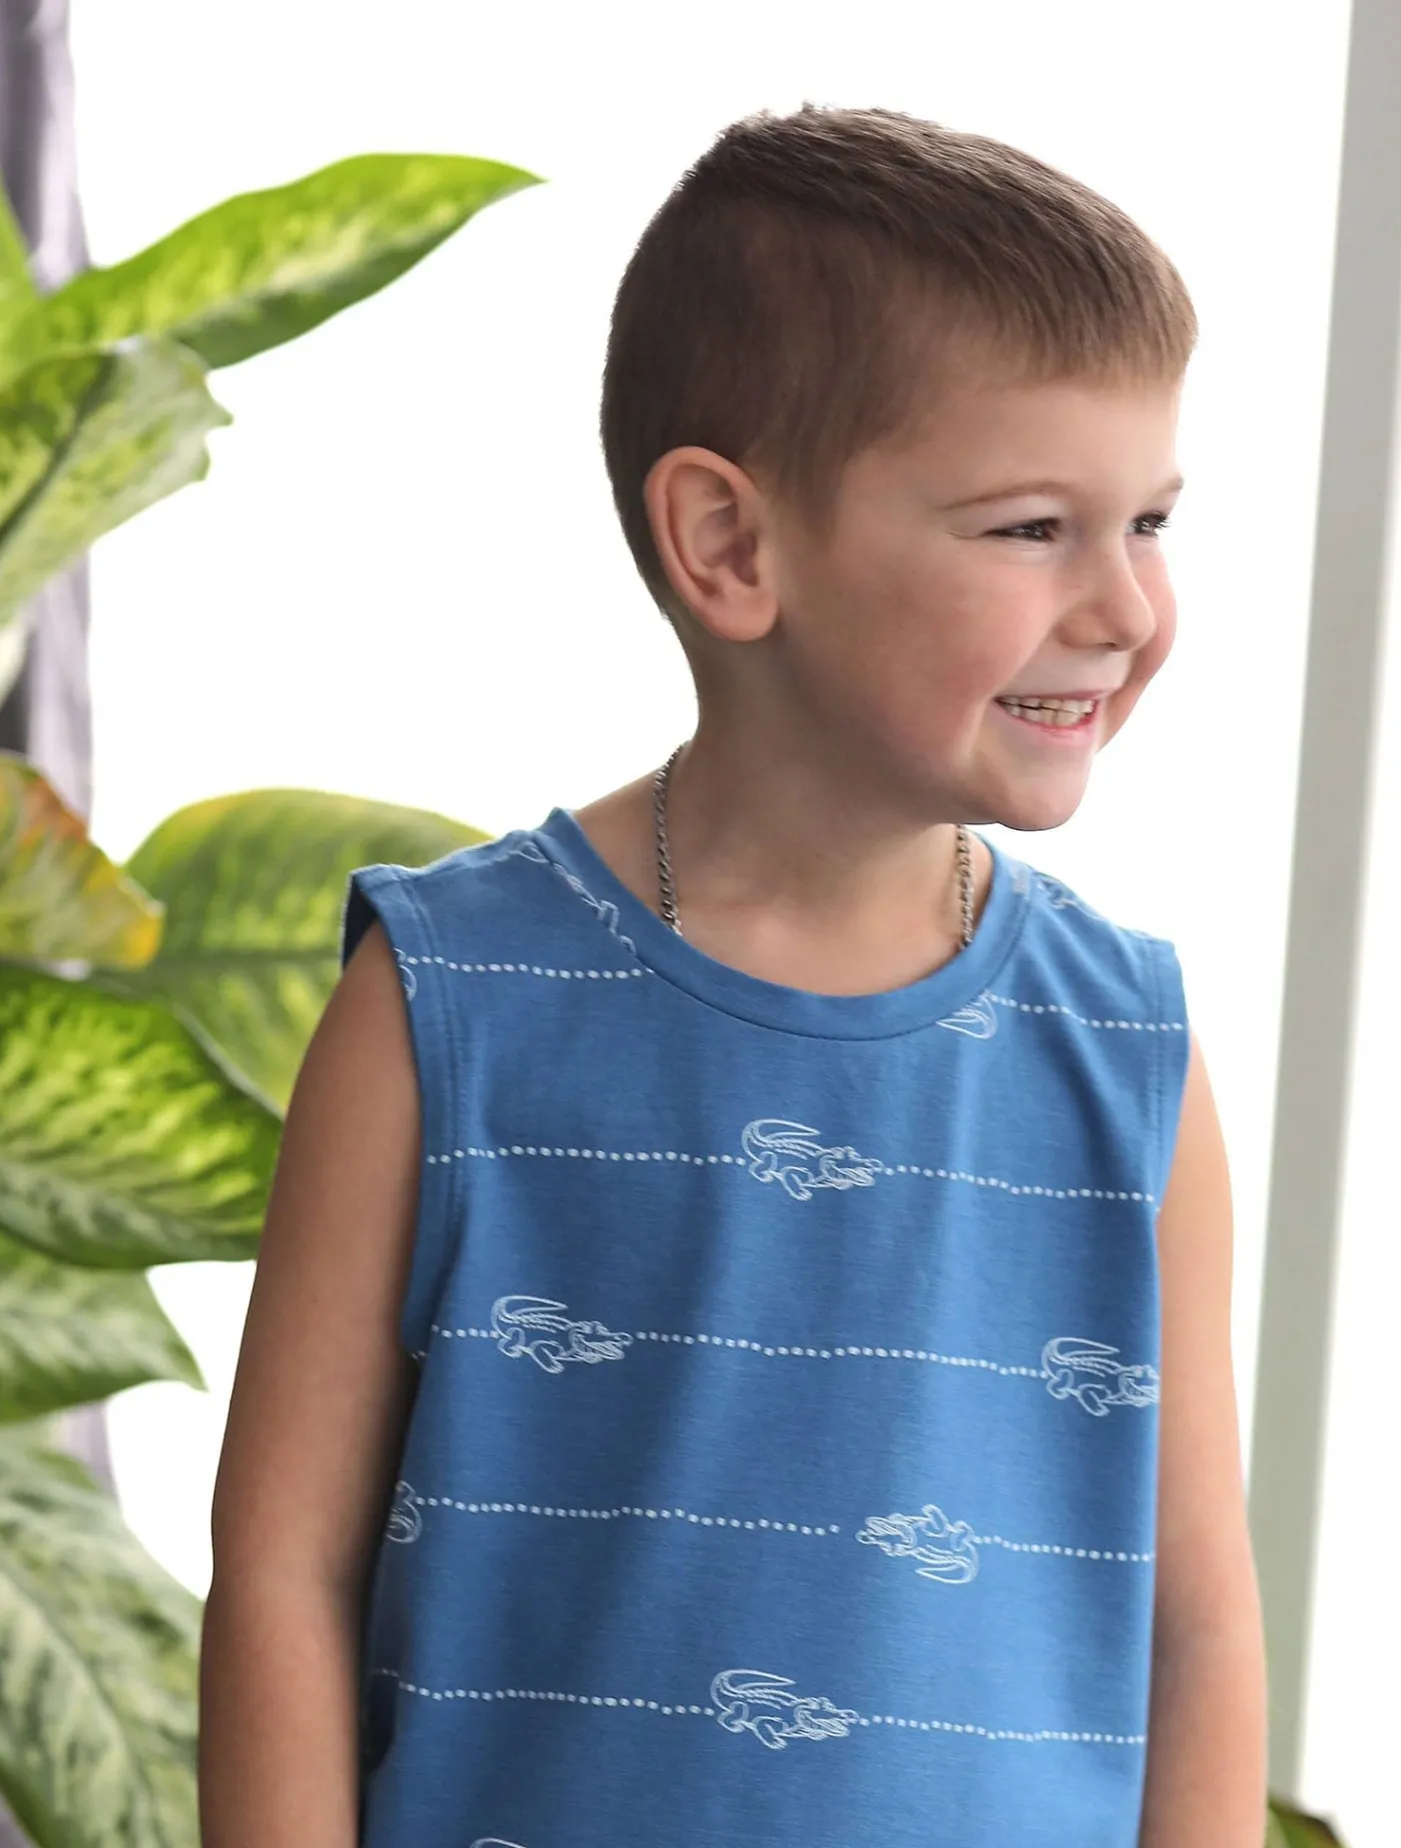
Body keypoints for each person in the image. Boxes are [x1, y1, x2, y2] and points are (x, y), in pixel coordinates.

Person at [199, 104, 1267, 1848]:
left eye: (1148, 520)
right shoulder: (445, 1006)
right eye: (1031, 530)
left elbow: (1197, 1620)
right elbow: (281, 1578)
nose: (1128, 608)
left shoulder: (1128, 1051)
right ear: (731, 546)